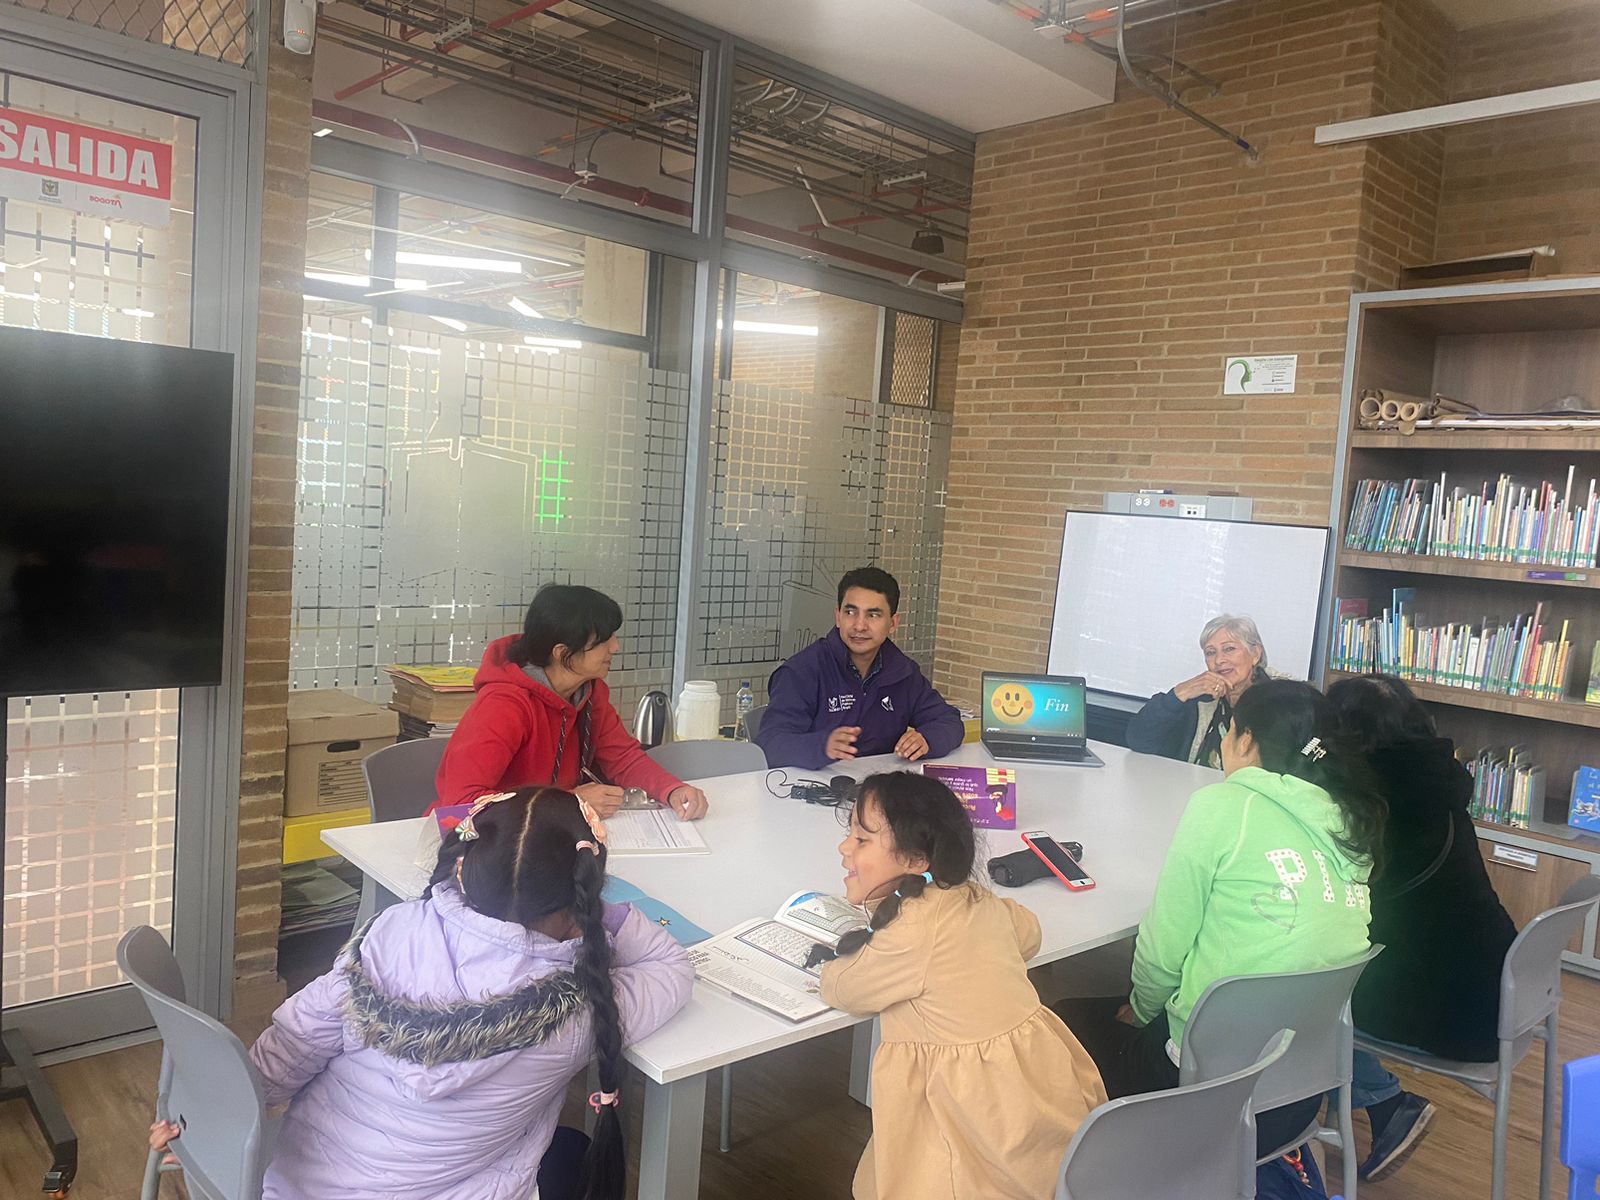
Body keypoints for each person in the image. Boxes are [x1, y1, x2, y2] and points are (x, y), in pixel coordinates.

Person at [153, 787, 694, 1200]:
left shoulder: (389, 933)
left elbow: (293, 1044)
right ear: (582, 896)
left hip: (299, 1188)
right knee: (573, 1151)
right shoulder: (578, 1013)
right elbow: (671, 967)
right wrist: (611, 917)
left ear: (464, 869)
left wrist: (208, 1120)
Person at [1057, 679, 1383, 1159]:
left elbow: (1161, 950)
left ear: (1245, 740)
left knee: (1056, 1021)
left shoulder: (1227, 804)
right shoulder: (1350, 821)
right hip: (1294, 1100)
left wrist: (1142, 1012)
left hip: (1204, 1101)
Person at [817, 772, 1107, 1200]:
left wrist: (833, 961)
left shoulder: (910, 933)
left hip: (969, 1122)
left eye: (861, 840)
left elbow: (843, 989)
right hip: (1038, 1104)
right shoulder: (975, 898)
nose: (845, 848)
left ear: (916, 860)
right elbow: (1029, 933)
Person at [1327, 673, 1517, 1181]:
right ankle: (1371, 1105)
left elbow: (1346, 912)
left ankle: (1379, 1105)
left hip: (1452, 1011)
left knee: (1310, 991)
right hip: (1501, 987)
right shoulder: (1434, 777)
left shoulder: (1374, 802)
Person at [434, 584, 708, 820]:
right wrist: (571, 802)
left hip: (545, 832)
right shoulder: (503, 706)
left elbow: (622, 758)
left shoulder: (589, 692)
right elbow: (460, 806)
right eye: (603, 641)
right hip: (481, 843)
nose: (615, 647)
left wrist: (672, 790)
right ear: (563, 653)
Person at [756, 567, 963, 770]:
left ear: (893, 623)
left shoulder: (903, 672)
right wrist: (821, 746)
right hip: (809, 792)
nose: (859, 626)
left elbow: (949, 721)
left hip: (881, 790)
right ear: (838, 617)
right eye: (850, 612)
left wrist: (927, 739)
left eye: (873, 615)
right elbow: (770, 743)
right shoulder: (802, 671)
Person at [1125, 613, 1272, 768]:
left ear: (1255, 653)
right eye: (1210, 652)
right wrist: (1179, 693)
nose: (1219, 660)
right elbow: (1139, 741)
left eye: (1229, 649)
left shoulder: (1282, 700)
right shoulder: (1202, 699)